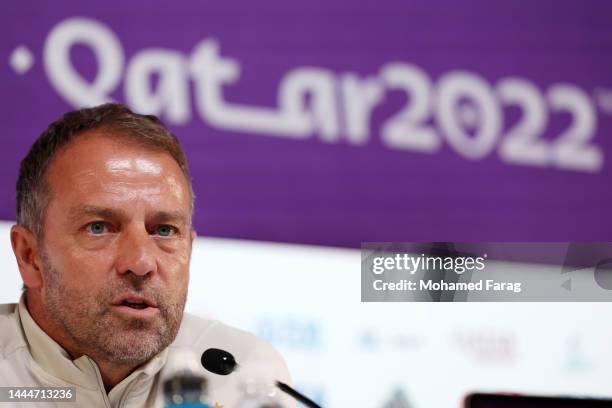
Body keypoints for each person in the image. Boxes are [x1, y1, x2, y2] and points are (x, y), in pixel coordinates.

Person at [0, 103, 294, 407]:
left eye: (164, 231)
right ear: (30, 256)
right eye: (99, 227)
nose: (141, 263)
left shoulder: (241, 373)